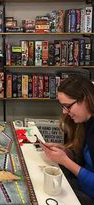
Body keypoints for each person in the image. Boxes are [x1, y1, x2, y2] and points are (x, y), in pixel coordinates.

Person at [40, 75, 94, 204]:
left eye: (67, 106)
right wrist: (66, 153)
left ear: (85, 100)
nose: (64, 112)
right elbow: (85, 160)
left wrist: (65, 161)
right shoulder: (84, 122)